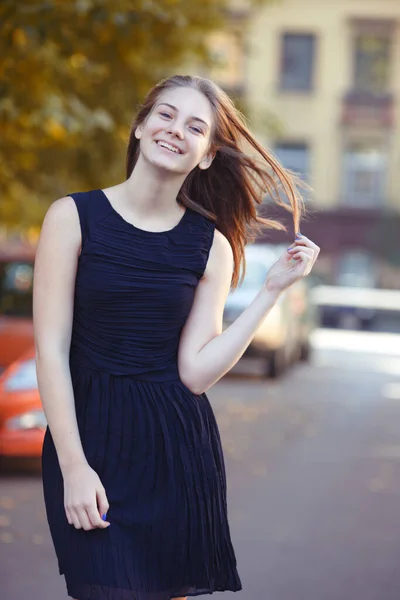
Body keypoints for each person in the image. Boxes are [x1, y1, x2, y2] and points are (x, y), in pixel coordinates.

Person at [33, 74, 320, 600]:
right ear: (140, 126)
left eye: (195, 126)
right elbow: (50, 350)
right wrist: (74, 466)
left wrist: (270, 292)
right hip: (89, 444)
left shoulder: (210, 245)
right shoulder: (73, 218)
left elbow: (195, 372)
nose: (175, 130)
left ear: (208, 155)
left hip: (174, 452)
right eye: (165, 114)